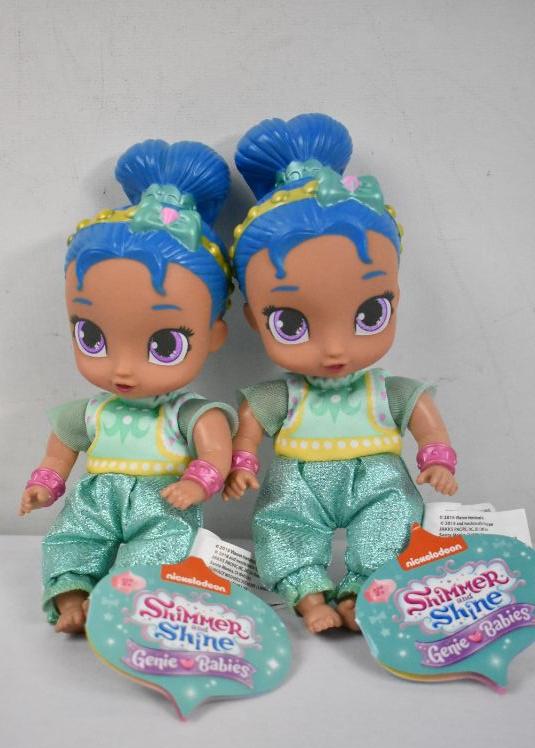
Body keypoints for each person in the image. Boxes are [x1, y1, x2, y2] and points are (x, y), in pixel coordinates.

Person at [224, 113, 458, 634]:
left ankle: (363, 593)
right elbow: (250, 422)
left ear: (396, 298)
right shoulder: (282, 395)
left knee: (394, 516)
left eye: (369, 313)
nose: (334, 348)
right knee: (282, 525)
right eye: (290, 323)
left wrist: (437, 456)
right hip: (297, 480)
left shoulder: (386, 391)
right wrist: (242, 461)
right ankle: (307, 595)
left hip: (378, 476)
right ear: (253, 319)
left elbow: (425, 418)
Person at [20, 139, 237, 634]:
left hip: (164, 502)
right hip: (95, 499)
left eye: (163, 345)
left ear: (214, 335)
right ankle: (72, 594)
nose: (123, 370)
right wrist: (45, 483)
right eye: (92, 337)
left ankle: (124, 601)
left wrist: (197, 482)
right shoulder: (89, 411)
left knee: (163, 550)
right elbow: (60, 450)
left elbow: (215, 454)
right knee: (70, 541)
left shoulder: (191, 413)